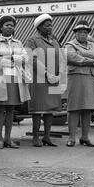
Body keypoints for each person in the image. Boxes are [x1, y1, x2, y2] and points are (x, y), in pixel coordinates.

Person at [0, 15, 31, 150]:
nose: (10, 27)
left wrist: (9, 57)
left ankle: (8, 137)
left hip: (14, 78)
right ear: (1, 27)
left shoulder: (18, 43)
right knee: (0, 109)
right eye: (7, 25)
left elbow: (26, 58)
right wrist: (15, 59)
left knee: (11, 109)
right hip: (0, 78)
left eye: (12, 25)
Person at [65, 20, 94, 148]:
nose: (82, 34)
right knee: (74, 108)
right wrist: (93, 61)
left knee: (88, 108)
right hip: (76, 77)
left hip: (91, 78)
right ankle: (72, 137)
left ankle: (85, 137)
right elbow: (73, 58)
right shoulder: (70, 45)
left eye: (85, 32)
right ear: (75, 34)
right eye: (79, 32)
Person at [25, 14, 64, 148]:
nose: (50, 27)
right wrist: (46, 72)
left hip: (54, 78)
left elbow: (61, 56)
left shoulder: (54, 40)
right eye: (47, 25)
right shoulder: (32, 40)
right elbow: (32, 58)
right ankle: (36, 137)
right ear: (39, 27)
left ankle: (47, 136)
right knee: (38, 109)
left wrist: (60, 74)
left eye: (51, 25)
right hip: (39, 78)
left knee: (50, 108)